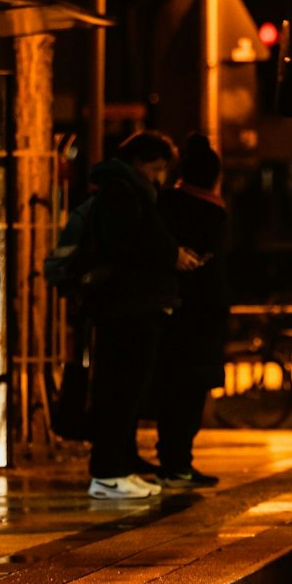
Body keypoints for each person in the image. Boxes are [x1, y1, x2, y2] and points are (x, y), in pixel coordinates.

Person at [83, 132, 197, 499]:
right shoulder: (122, 191)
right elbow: (129, 244)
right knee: (120, 389)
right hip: (127, 306)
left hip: (131, 304)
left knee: (127, 390)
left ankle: (118, 468)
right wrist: (170, 256)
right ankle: (108, 472)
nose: (160, 177)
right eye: (157, 167)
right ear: (140, 162)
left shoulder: (125, 188)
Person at [155, 135, 228, 488]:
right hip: (200, 321)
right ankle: (178, 462)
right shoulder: (214, 215)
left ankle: (173, 460)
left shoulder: (164, 204)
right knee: (189, 395)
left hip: (170, 315)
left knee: (171, 391)